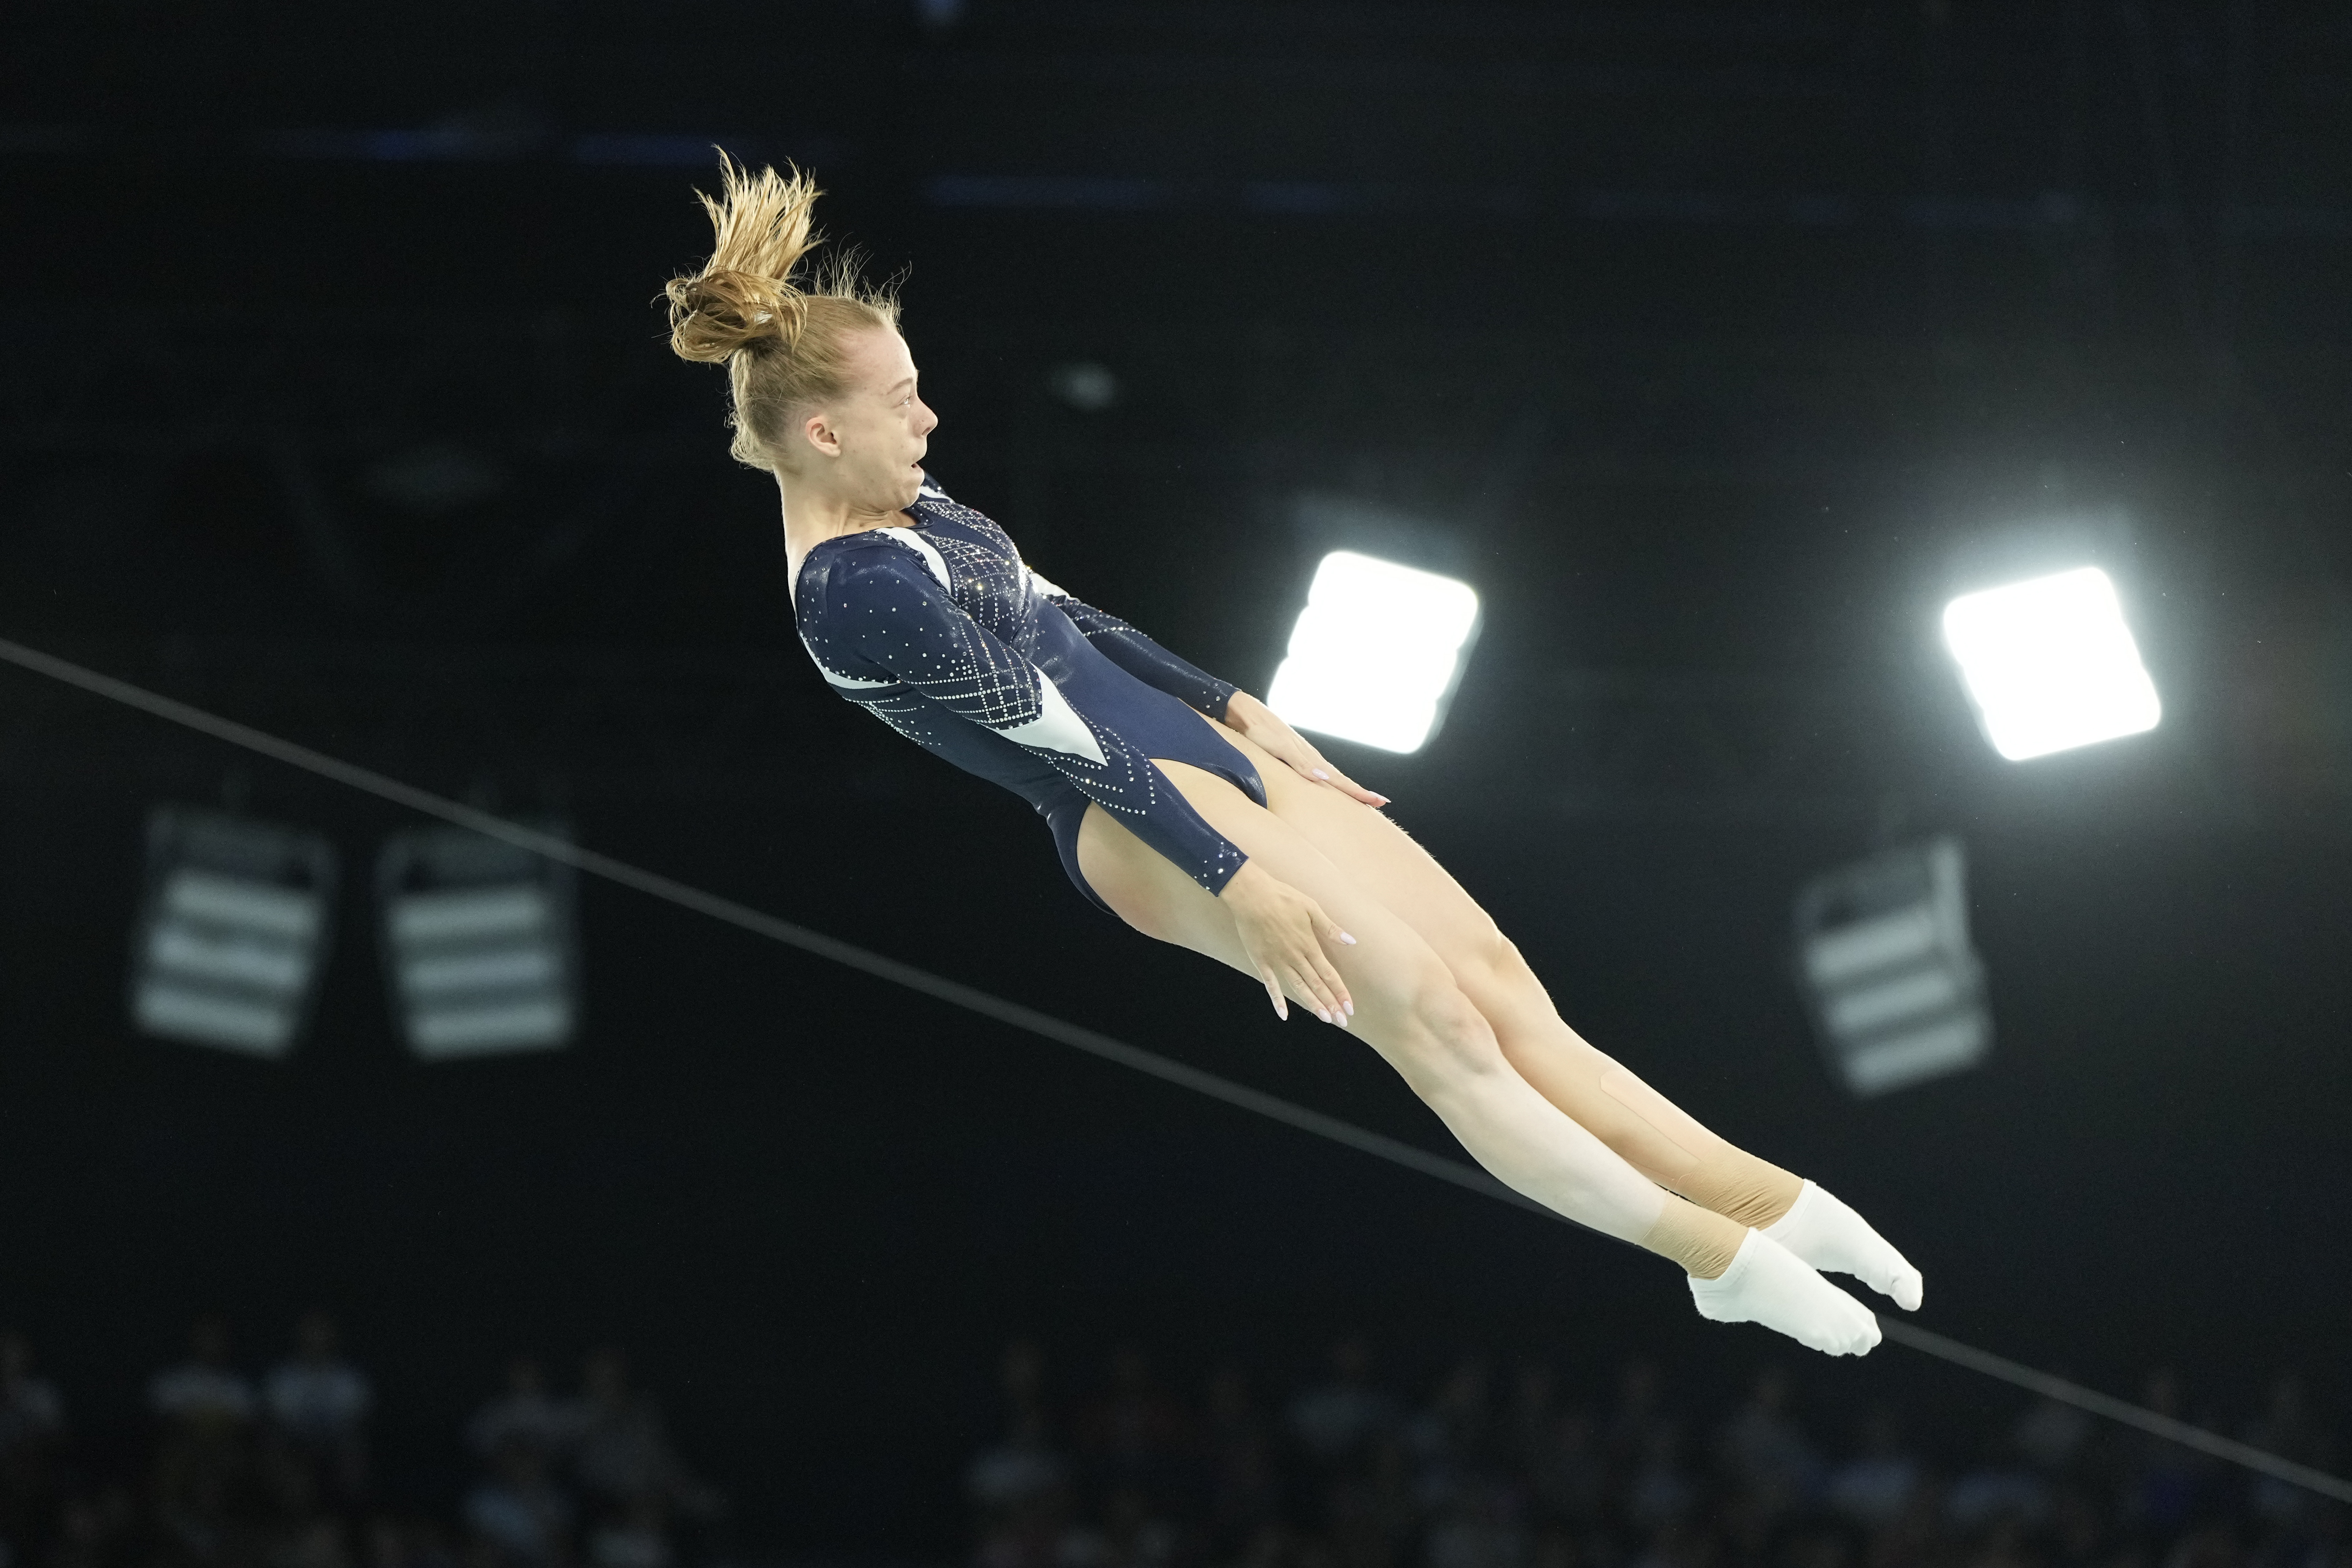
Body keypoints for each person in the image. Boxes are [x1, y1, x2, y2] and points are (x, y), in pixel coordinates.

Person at [660, 154, 1924, 1356]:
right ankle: (1718, 1261)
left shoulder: (911, 506)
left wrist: (1234, 699)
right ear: (821, 436)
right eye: (900, 402)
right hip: (1130, 818)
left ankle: (1768, 1199)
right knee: (1436, 1025)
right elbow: (1063, 728)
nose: (930, 416)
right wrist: (1229, 874)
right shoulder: (849, 589)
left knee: (1490, 977)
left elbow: (1069, 616)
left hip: (1191, 746)